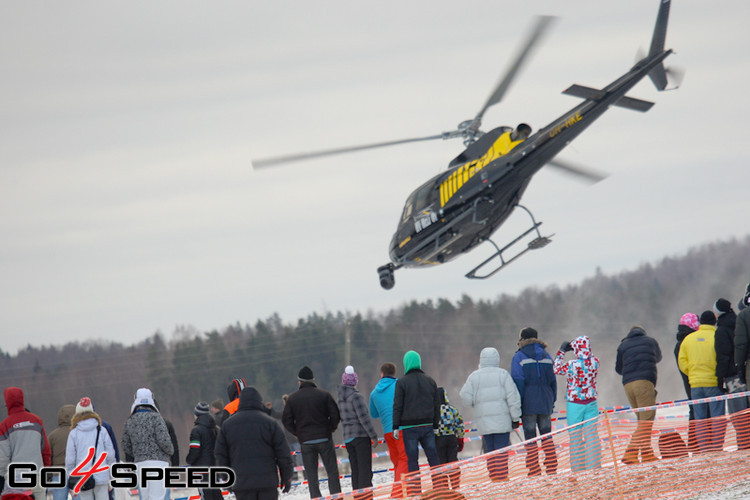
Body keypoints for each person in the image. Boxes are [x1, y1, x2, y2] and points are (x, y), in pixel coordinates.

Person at [215, 387, 292, 500]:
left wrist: (227, 478)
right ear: (259, 401)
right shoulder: (270, 423)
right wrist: (287, 477)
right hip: (267, 483)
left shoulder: (227, 426)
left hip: (241, 484)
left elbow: (221, 454)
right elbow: (283, 454)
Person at [460, 347, 521, 482]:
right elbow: (513, 398)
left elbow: (465, 398)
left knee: (490, 449)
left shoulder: (474, 377)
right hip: (503, 422)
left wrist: (477, 404)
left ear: (481, 360)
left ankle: (493, 476)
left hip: (484, 423)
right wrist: (515, 417)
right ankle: (502, 477)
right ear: (497, 359)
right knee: (501, 450)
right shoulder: (503, 375)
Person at [282, 366, 341, 499]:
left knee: (311, 475)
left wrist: (298, 433)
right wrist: (330, 429)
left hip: (306, 441)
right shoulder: (324, 395)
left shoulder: (292, 399)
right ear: (313, 380)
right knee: (332, 472)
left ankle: (315, 497)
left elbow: (286, 420)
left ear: (299, 382)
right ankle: (337, 497)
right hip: (325, 439)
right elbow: (335, 414)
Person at [510, 327, 558, 476]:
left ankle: (534, 469)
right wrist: (552, 399)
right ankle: (551, 466)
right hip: (545, 402)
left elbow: (518, 382)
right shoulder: (547, 356)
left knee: (530, 437)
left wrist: (518, 404)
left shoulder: (519, 357)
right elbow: (553, 381)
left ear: (522, 340)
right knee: (546, 436)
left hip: (528, 404)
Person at [678, 311, 726, 452]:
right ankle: (717, 448)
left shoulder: (689, 339)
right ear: (714, 322)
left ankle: (704, 448)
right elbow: (723, 358)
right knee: (717, 417)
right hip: (713, 383)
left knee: (700, 419)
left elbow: (682, 361)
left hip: (695, 384)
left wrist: (692, 373)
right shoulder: (717, 336)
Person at [392, 350, 441, 489]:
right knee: (433, 457)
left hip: (409, 428)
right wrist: (436, 424)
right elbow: (436, 405)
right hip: (427, 425)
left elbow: (397, 405)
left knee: (412, 460)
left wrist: (395, 426)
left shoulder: (401, 383)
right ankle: (439, 487)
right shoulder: (430, 381)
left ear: (406, 363)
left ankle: (415, 490)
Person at [553, 336, 602, 472]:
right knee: (591, 435)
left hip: (575, 403)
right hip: (592, 402)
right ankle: (594, 466)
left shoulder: (572, 365)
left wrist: (562, 351)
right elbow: (588, 359)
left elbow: (556, 369)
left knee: (575, 436)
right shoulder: (595, 362)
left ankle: (578, 468)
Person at [615, 326, 662, 464]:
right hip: (644, 382)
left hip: (628, 384)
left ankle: (646, 453)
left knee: (642, 420)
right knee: (646, 420)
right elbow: (658, 357)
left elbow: (618, 368)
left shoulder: (623, 345)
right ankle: (630, 453)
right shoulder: (650, 341)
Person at [121, 388, 174, 500]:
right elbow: (164, 440)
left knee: (145, 497)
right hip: (158, 462)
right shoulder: (156, 418)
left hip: (140, 463)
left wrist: (137, 452)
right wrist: (170, 451)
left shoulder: (130, 421)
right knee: (157, 496)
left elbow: (125, 444)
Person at [0, 387, 51, 500]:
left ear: (8, 403)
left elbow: (2, 458)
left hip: (17, 479)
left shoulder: (5, 426)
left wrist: (3, 477)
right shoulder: (37, 421)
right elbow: (45, 451)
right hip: (38, 475)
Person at [337, 366, 378, 499]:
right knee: (365, 471)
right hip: (360, 437)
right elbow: (364, 418)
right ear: (354, 381)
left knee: (355, 471)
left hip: (348, 438)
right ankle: (366, 497)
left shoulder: (340, 399)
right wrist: (373, 436)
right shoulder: (356, 397)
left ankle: (357, 496)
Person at [368, 362, 408, 498]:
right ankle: (397, 493)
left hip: (387, 431)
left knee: (397, 461)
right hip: (400, 428)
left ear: (382, 374)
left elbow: (373, 414)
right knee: (404, 459)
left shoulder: (374, 393)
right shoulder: (399, 385)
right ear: (394, 373)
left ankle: (399, 491)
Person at [66, 397, 116, 500]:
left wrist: (71, 476)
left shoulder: (74, 434)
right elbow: (110, 454)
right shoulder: (102, 430)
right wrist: (110, 474)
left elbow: (70, 459)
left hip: (83, 477)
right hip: (102, 475)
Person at [674, 312, 700, 451]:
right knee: (698, 409)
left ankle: (693, 442)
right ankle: (696, 442)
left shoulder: (679, 341)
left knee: (693, 408)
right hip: (695, 377)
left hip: (688, 377)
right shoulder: (689, 341)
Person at [186, 402, 222, 500]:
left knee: (205, 495)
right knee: (216, 494)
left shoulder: (196, 431)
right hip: (215, 468)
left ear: (197, 415)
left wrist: (189, 460)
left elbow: (195, 450)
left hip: (201, 469)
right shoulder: (216, 429)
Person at [434, 387, 464, 490]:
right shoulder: (453, 410)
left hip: (438, 440)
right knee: (453, 462)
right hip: (452, 439)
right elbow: (460, 425)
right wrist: (460, 439)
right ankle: (455, 484)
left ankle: (444, 487)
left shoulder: (433, 411)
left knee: (441, 463)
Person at [47, 404, 75, 500]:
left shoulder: (53, 435)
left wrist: (48, 475)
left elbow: (48, 457)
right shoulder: (78, 434)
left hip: (58, 474)